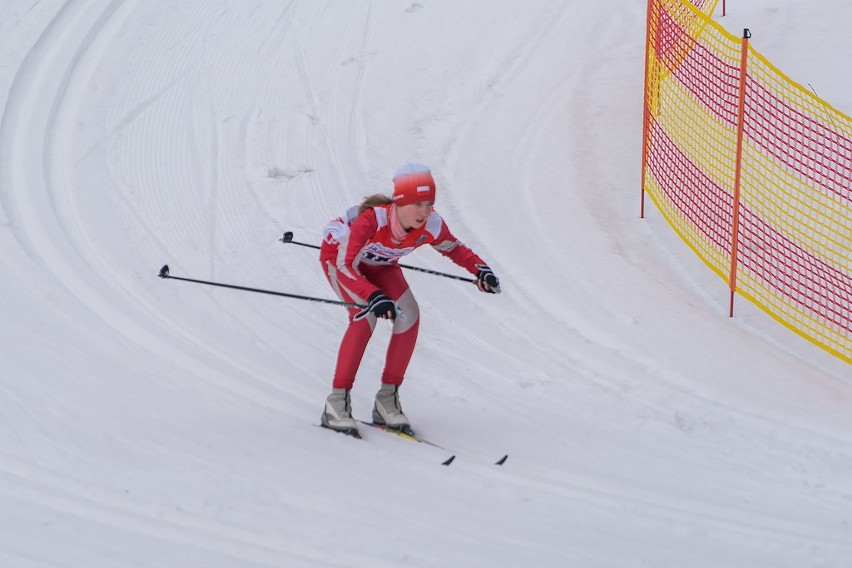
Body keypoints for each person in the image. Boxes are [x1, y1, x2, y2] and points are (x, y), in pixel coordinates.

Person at [319, 163, 500, 437]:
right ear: (401, 202)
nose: (425, 212)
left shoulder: (432, 224)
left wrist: (480, 269)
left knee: (410, 315)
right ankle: (337, 403)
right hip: (342, 263)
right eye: (418, 204)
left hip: (381, 266)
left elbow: (453, 248)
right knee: (364, 316)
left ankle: (387, 400)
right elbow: (345, 265)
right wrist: (372, 295)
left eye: (429, 204)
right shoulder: (373, 220)